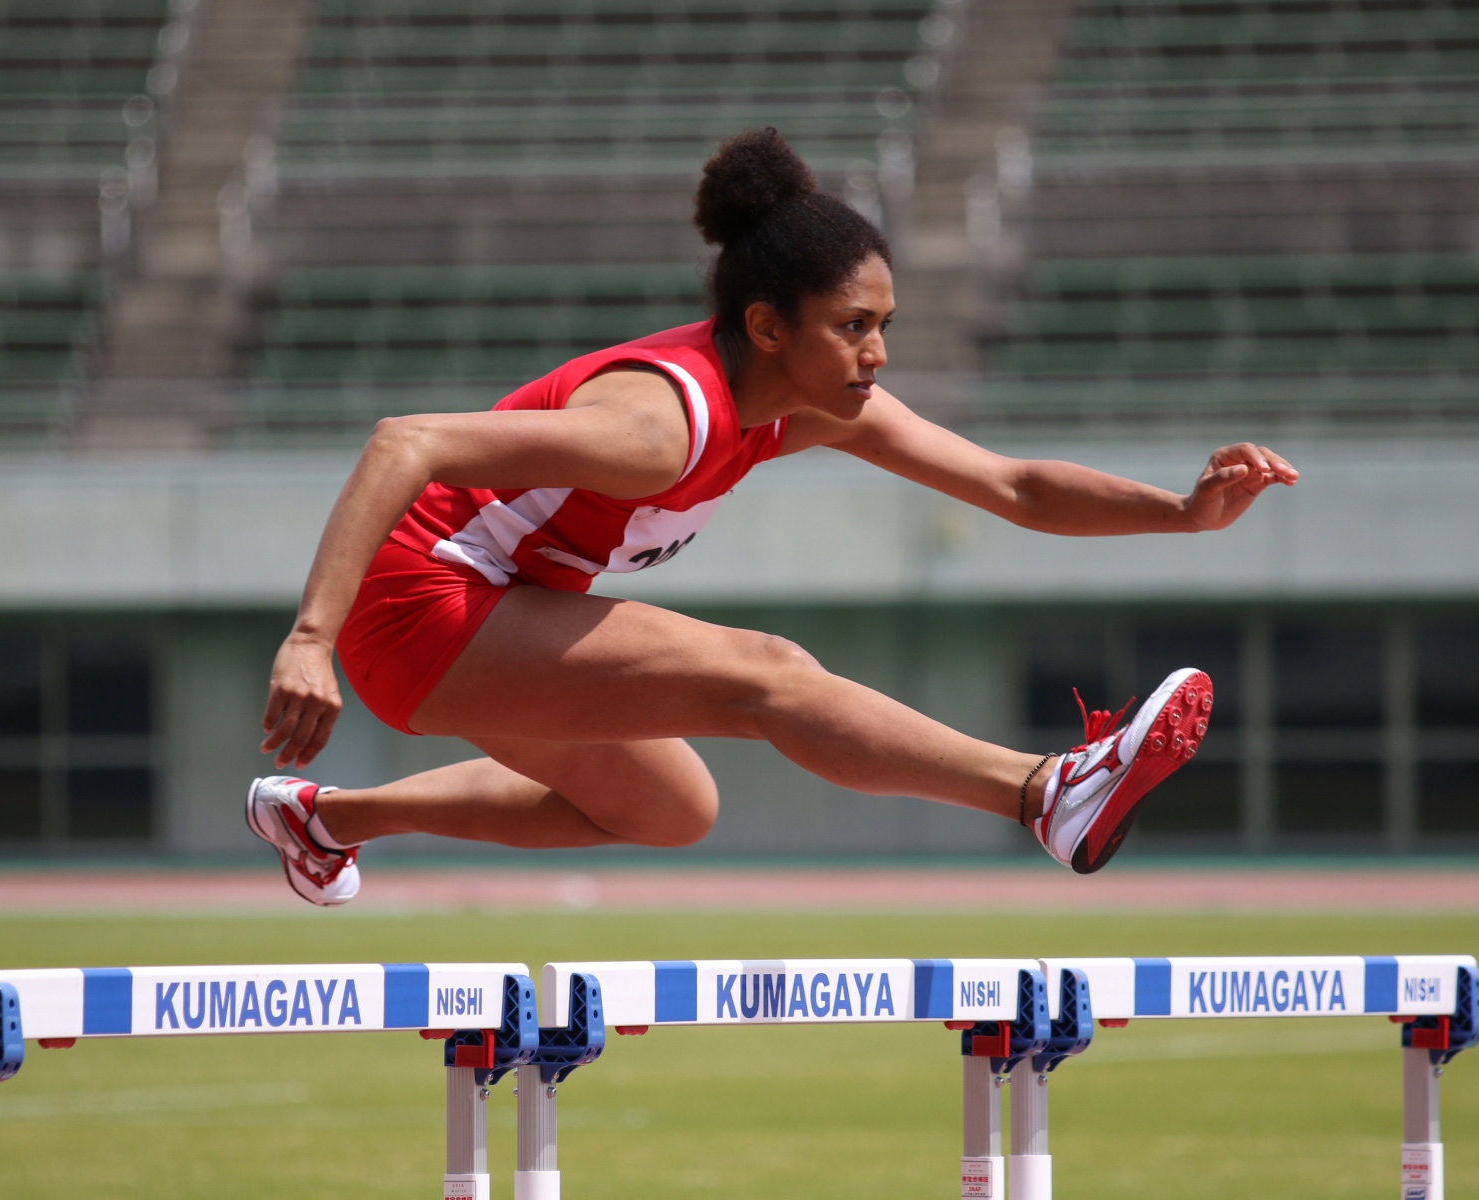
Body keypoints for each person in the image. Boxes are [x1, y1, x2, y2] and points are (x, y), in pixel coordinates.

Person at [246, 128, 1298, 906]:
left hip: (497, 605)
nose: (876, 354)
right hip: (419, 602)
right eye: (852, 327)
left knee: (670, 809)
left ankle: (324, 822)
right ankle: (1042, 792)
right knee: (769, 674)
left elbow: (1013, 486)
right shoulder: (660, 426)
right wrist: (309, 639)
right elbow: (405, 441)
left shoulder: (811, 405)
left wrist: (1181, 513)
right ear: (766, 328)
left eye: (884, 325)